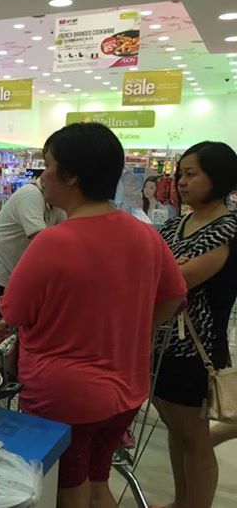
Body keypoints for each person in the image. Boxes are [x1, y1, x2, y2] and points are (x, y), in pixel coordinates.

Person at [0, 123, 186, 508]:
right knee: (98, 482)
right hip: (126, 390)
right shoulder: (145, 235)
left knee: (68, 491)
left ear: (71, 175)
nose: (43, 175)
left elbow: (14, 310)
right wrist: (136, 330)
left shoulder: (53, 241)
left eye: (48, 164)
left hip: (64, 396)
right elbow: (175, 294)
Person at [153, 141, 237, 508]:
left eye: (192, 174)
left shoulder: (227, 228)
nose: (182, 182)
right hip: (163, 344)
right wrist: (172, 268)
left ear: (218, 177)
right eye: (180, 174)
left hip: (196, 349)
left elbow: (176, 280)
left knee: (195, 439)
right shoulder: (177, 223)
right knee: (177, 431)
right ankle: (181, 501)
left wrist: (171, 269)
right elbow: (156, 268)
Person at [0, 172, 65, 317]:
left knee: (9, 319)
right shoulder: (31, 194)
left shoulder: (56, 205)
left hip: (12, 270)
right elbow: (39, 238)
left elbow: (64, 235)